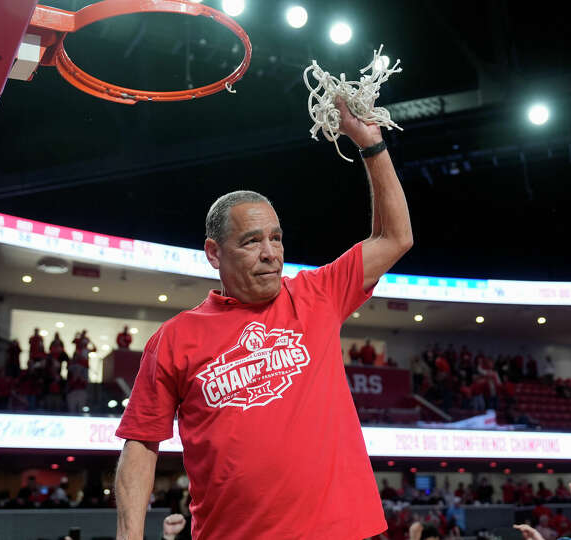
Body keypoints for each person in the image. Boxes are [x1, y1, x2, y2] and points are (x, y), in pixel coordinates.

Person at [114, 99, 412, 539]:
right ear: (214, 253)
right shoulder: (175, 339)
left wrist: (371, 145)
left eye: (276, 238)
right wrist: (129, 536)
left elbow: (395, 237)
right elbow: (141, 442)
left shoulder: (317, 294)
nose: (271, 253)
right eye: (252, 241)